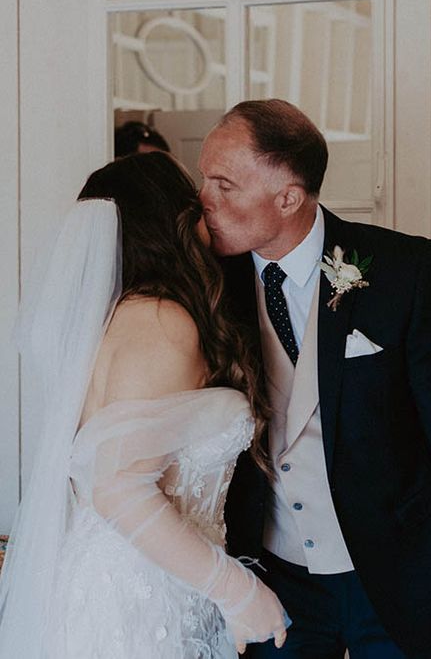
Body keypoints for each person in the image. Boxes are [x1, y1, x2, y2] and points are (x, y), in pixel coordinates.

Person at [199, 100, 431, 659]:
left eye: (224, 184)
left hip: (396, 572)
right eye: (203, 178)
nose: (205, 198)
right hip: (271, 575)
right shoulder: (207, 281)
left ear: (288, 196)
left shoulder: (402, 270)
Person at [0, 152, 289, 658]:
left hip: (145, 576)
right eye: (194, 205)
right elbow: (119, 488)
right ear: (169, 222)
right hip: (141, 591)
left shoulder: (116, 319)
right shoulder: (160, 321)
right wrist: (240, 591)